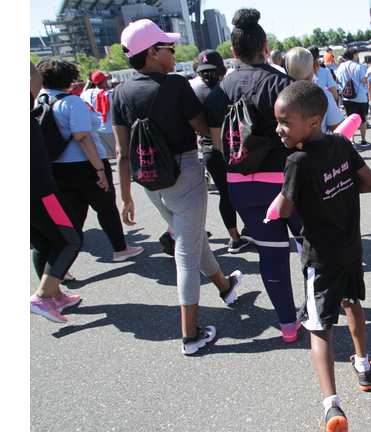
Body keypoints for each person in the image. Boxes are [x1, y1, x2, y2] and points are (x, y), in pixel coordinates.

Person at [112, 19, 243, 355]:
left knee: (192, 240)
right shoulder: (174, 85)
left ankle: (225, 287)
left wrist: (125, 196)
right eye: (168, 48)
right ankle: (190, 335)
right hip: (183, 171)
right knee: (185, 254)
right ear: (153, 53)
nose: (173, 53)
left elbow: (121, 153)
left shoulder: (120, 92)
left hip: (148, 180)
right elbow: (202, 125)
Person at [272, 80, 371, 431]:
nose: (279, 129)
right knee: (352, 303)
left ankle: (332, 407)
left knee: (319, 328)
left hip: (320, 257)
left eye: (285, 122)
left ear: (314, 120)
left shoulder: (297, 161)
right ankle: (363, 367)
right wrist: (341, 188)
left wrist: (290, 195)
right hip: (350, 247)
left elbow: (285, 208)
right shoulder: (340, 144)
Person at [203, 8, 304, 343]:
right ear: (265, 44)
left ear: (233, 52)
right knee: (313, 247)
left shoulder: (220, 89)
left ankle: (288, 326)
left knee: (271, 255)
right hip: (284, 181)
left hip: (240, 185)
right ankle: (320, 310)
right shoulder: (281, 82)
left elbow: (218, 140)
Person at [38, 59, 144, 264]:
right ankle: (120, 248)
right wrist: (99, 168)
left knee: (74, 214)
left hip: (55, 166)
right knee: (105, 207)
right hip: (84, 163)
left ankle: (60, 264)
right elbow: (82, 137)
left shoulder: (38, 101)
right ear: (69, 78)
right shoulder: (71, 102)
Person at [30, 61, 83, 323]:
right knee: (71, 238)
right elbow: (33, 75)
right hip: (39, 190)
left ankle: (55, 296)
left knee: (43, 242)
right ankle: (42, 296)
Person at [191, 49, 252, 253]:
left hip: (208, 150)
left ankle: (234, 238)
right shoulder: (228, 89)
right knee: (243, 191)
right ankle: (252, 229)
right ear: (222, 70)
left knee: (225, 195)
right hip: (232, 147)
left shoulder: (194, 92)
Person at [284, 47, 344, 133]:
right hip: (320, 145)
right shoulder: (323, 95)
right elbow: (339, 129)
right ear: (310, 69)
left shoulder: (281, 96)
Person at [337, 46, 370, 146]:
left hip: (347, 96)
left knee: (351, 119)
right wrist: (368, 76)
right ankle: (363, 140)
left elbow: (338, 80)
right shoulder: (360, 66)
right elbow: (363, 80)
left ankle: (352, 140)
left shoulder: (341, 67)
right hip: (360, 96)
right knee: (362, 119)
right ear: (354, 55)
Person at [81, 71, 117, 159]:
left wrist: (88, 82)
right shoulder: (111, 93)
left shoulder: (88, 94)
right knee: (120, 154)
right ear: (104, 81)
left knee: (105, 156)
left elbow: (83, 93)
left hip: (97, 129)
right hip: (112, 128)